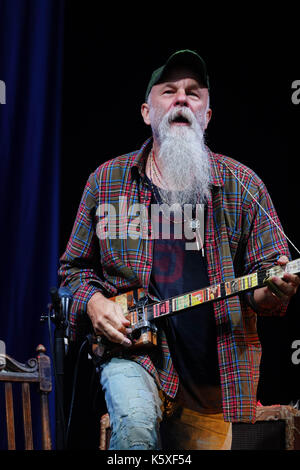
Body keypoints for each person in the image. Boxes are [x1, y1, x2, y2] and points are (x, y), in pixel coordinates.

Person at [58, 50, 300, 450]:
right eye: (168, 91)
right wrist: (95, 303)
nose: (182, 99)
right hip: (133, 354)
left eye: (193, 92)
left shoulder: (244, 185)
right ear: (146, 112)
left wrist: (277, 287)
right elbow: (74, 270)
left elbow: (264, 289)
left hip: (211, 379)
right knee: (135, 428)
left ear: (207, 115)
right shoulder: (106, 181)